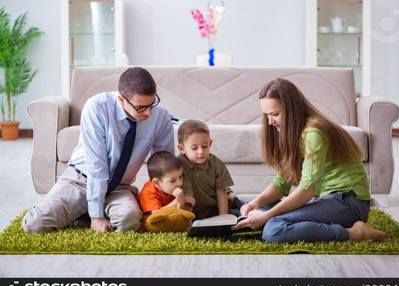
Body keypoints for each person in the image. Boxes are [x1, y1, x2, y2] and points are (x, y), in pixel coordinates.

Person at [232, 78, 389, 242]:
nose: (270, 122)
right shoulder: (293, 133)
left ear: (292, 110)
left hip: (349, 203)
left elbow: (307, 190)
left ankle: (356, 233)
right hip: (325, 200)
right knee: (252, 209)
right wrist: (255, 204)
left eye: (275, 114)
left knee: (274, 228)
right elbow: (281, 183)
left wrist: (266, 216)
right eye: (266, 116)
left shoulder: (314, 133)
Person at [22, 67, 174, 233]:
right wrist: (96, 217)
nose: (149, 112)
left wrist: (169, 202)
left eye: (152, 104)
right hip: (81, 180)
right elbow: (97, 166)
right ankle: (86, 209)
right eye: (141, 108)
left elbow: (165, 165)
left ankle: (83, 210)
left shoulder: (160, 116)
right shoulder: (97, 107)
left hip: (119, 186)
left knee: (129, 222)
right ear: (122, 100)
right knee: (34, 226)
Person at [177, 119, 243, 219]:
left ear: (210, 143)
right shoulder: (179, 165)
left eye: (204, 146)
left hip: (224, 201)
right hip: (203, 208)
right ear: (182, 148)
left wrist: (223, 218)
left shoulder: (216, 163)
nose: (200, 152)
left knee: (244, 209)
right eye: (194, 148)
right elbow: (187, 197)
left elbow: (221, 193)